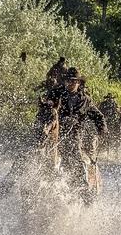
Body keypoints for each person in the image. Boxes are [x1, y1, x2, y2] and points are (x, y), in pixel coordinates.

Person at [41, 67, 108, 199]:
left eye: (73, 81)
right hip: (55, 130)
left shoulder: (85, 100)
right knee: (31, 149)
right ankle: (8, 181)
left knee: (75, 154)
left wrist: (103, 130)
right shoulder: (56, 94)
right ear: (65, 81)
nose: (70, 83)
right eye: (68, 81)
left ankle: (83, 189)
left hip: (75, 132)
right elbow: (48, 109)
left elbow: (98, 116)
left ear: (78, 82)